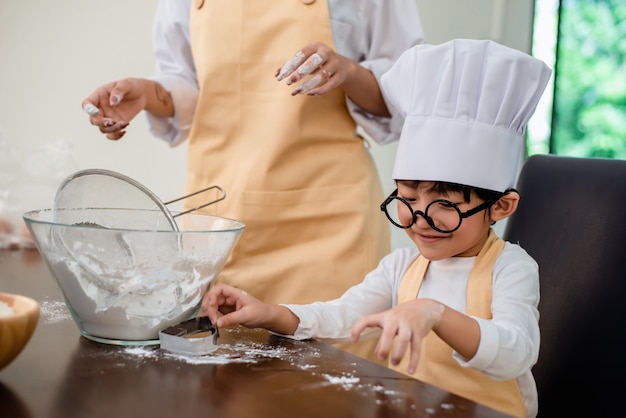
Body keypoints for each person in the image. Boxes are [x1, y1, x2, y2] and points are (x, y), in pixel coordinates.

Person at [202, 39, 552, 418]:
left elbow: (516, 353)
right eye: (408, 199)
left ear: (501, 206)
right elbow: (343, 313)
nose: (420, 219)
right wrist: (269, 313)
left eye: (446, 204)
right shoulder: (401, 266)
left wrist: (433, 313)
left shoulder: (511, 267)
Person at [81, 0, 424, 363]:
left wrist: (348, 71)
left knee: (329, 380)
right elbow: (190, 85)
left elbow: (405, 88)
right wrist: (148, 94)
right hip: (220, 222)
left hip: (326, 226)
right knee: (227, 387)